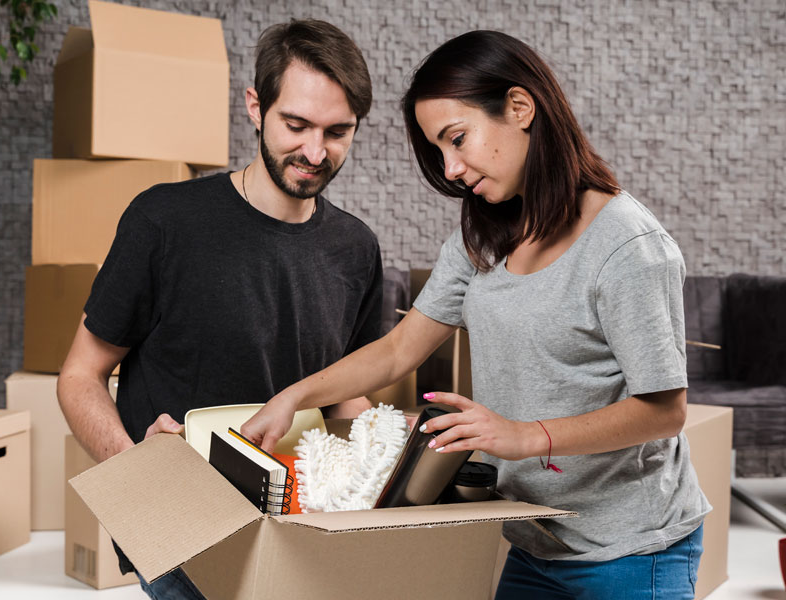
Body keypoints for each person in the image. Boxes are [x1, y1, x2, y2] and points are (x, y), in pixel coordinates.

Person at [241, 30, 709, 600]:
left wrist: (520, 436)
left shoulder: (627, 247)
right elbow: (397, 350)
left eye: (457, 139)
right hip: (535, 538)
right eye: (439, 151)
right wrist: (294, 397)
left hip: (631, 551)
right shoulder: (483, 238)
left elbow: (664, 411)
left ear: (519, 107)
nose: (452, 168)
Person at [57, 19, 382, 600]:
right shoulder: (163, 220)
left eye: (338, 131)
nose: (315, 151)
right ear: (256, 107)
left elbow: (342, 388)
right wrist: (135, 469)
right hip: (180, 529)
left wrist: (396, 455)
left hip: (302, 527)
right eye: (296, 124)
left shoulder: (356, 248)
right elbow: (79, 376)